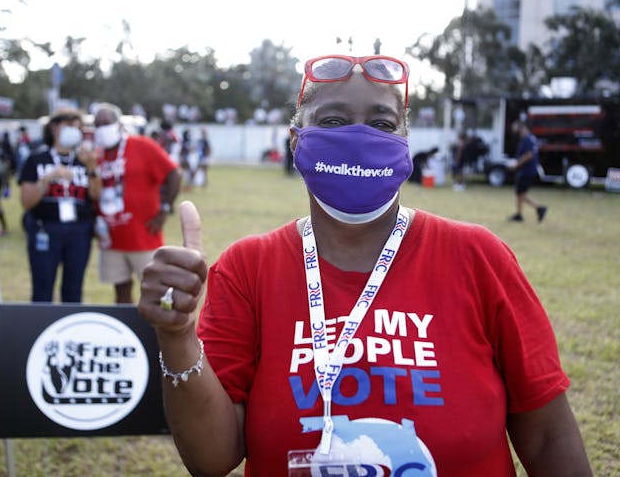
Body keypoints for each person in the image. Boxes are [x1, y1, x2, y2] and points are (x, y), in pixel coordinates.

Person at [137, 54, 592, 476]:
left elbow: (549, 438)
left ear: (404, 144)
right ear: (297, 142)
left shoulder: (478, 256)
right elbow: (212, 458)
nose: (359, 136)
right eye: (333, 120)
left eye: (381, 122)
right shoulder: (248, 267)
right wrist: (176, 338)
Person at [93, 103, 182, 304]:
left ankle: (154, 335)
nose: (101, 128)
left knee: (156, 294)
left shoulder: (142, 145)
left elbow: (174, 174)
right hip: (112, 238)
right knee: (121, 293)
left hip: (144, 236)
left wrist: (164, 210)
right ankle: (128, 334)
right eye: (97, 124)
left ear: (118, 124)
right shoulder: (97, 156)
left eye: (106, 123)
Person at [18, 109, 101, 302]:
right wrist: (47, 179)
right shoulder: (36, 159)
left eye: (77, 126)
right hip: (45, 228)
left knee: (73, 289)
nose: (74, 130)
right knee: (43, 286)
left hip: (79, 230)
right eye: (68, 125)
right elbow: (26, 202)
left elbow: (95, 194)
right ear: (54, 128)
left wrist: (92, 168)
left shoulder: (84, 161)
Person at [508, 121, 547, 223]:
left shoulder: (527, 139)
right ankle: (519, 214)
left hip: (526, 170)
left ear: (523, 128)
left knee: (521, 193)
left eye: (517, 129)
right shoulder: (530, 138)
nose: (516, 131)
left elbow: (529, 155)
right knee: (520, 192)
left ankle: (539, 208)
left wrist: (516, 165)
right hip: (526, 170)